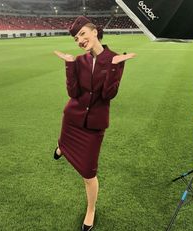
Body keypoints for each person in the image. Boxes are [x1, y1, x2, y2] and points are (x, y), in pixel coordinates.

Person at [53, 16, 135, 231]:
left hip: (94, 126)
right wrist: (69, 65)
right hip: (72, 118)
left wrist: (116, 67)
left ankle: (91, 209)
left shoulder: (115, 58)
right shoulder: (80, 61)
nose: (79, 40)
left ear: (95, 31)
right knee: (64, 142)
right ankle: (62, 146)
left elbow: (108, 94)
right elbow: (73, 93)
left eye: (82, 34)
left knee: (88, 173)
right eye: (76, 38)